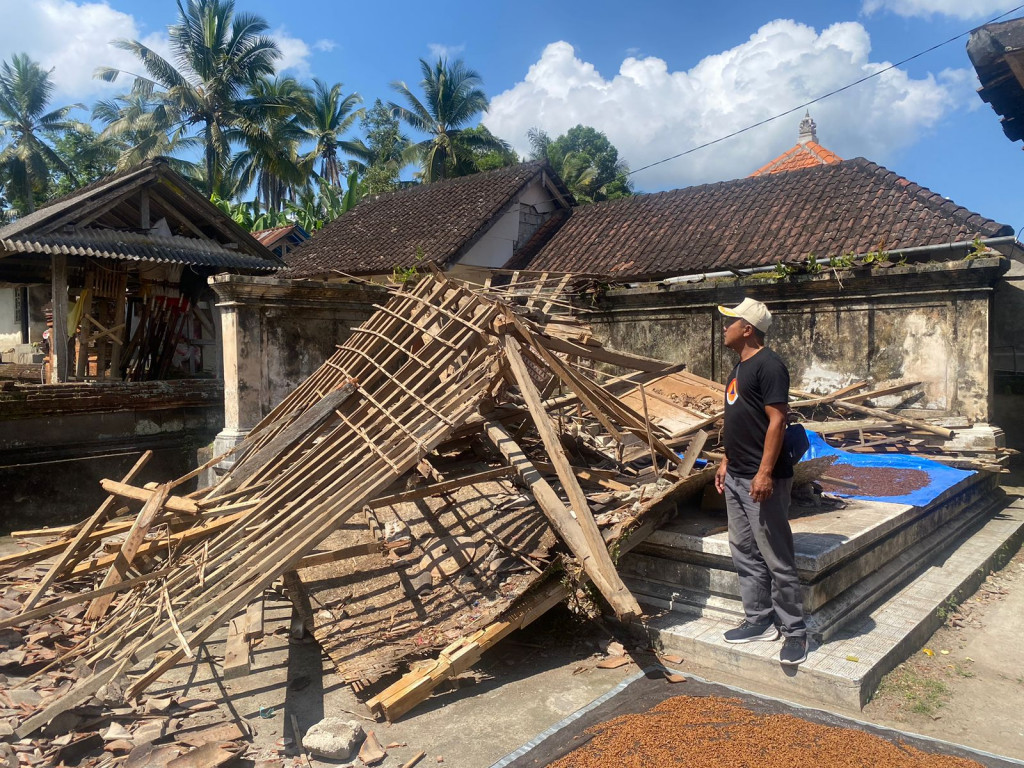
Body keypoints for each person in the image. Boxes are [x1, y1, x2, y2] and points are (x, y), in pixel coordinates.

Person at [714, 297, 807, 666]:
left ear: (747, 329)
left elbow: (776, 422)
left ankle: (795, 631)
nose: (725, 328)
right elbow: (739, 421)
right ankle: (758, 620)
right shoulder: (739, 368)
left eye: (730, 322)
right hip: (737, 475)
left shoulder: (770, 366)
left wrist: (764, 473)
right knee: (744, 551)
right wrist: (725, 461)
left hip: (761, 479)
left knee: (776, 556)